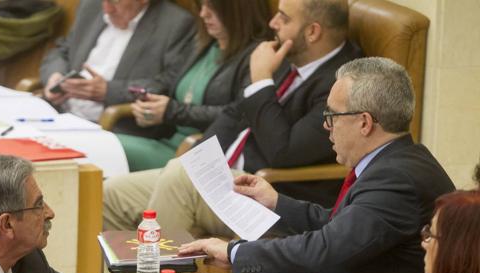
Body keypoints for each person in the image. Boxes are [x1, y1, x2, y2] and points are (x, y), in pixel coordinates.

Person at [178, 57, 455, 273]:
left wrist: (236, 254)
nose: (327, 126)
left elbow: (326, 250)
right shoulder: (393, 162)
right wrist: (277, 202)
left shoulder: (397, 180)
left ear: (364, 122)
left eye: (332, 116)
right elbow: (342, 227)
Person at [103, 0, 362, 238]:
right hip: (226, 179)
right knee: (110, 194)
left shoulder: (341, 84)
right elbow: (233, 113)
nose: (273, 24)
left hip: (270, 196)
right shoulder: (288, 56)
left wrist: (261, 80)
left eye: (283, 18)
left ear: (313, 32)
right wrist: (199, 160)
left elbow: (283, 152)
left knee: (178, 180)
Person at [117, 0, 273, 171]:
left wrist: (172, 111)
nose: (203, 14)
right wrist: (148, 101)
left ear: (240, 10)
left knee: (101, 151)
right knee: (100, 146)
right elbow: (167, 81)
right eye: (201, 6)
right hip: (167, 142)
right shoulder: (204, 43)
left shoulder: (258, 56)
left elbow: (239, 115)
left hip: (199, 154)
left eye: (213, 8)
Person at [40, 0, 196, 139]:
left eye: (115, 2)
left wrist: (108, 91)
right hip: (59, 114)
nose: (106, 9)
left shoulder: (175, 23)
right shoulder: (91, 5)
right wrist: (55, 76)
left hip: (113, 127)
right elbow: (63, 50)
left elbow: (167, 83)